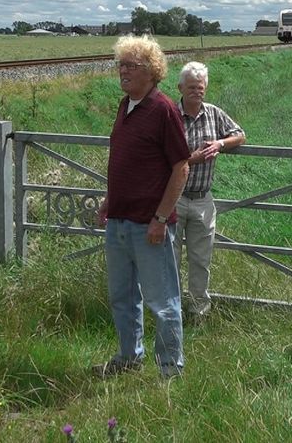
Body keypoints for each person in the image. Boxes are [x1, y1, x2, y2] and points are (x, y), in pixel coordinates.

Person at [95, 35, 191, 379]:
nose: (123, 71)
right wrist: (109, 201)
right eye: (120, 64)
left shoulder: (164, 109)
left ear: (151, 71)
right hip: (120, 221)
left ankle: (170, 371)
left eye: (130, 66)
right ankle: (128, 358)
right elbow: (124, 162)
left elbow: (182, 167)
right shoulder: (125, 105)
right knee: (122, 297)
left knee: (163, 303)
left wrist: (160, 218)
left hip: (150, 225)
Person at [173, 61, 246, 319]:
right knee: (170, 260)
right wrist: (193, 158)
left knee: (201, 260)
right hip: (173, 199)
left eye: (201, 87)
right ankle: (170, 312)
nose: (197, 91)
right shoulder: (170, 114)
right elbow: (160, 157)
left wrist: (220, 143)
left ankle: (198, 312)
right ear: (180, 88)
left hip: (203, 200)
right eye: (191, 87)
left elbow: (240, 134)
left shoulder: (214, 113)